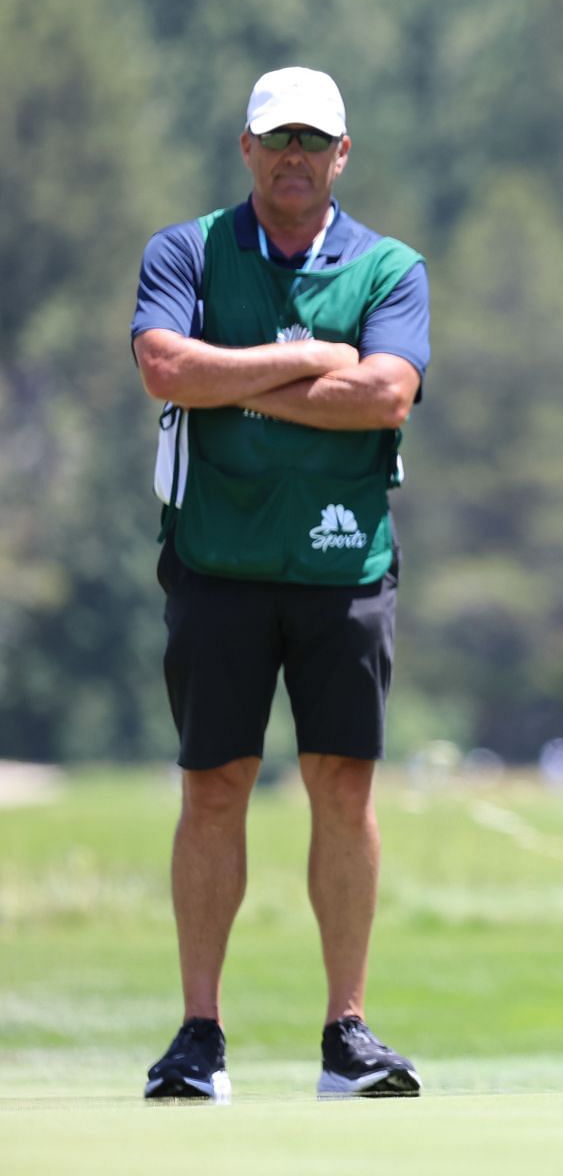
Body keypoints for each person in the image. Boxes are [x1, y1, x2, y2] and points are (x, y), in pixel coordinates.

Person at [129, 67, 430, 1101]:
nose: (294, 156)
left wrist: (240, 381)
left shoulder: (391, 266)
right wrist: (304, 361)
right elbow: (167, 370)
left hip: (345, 570)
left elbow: (387, 394)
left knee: (342, 787)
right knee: (213, 786)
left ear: (343, 154)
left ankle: (346, 1032)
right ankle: (199, 1034)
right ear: (247, 149)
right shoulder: (187, 251)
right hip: (217, 563)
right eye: (277, 139)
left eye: (315, 140)